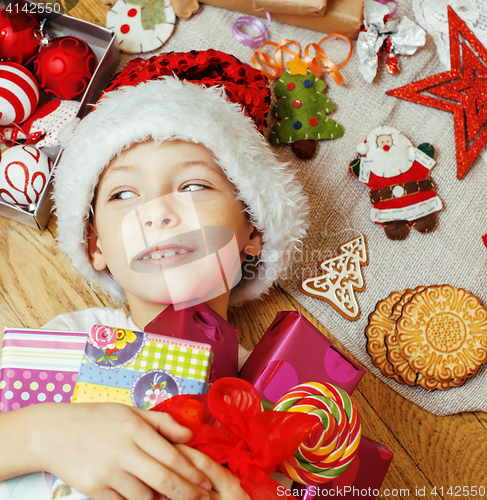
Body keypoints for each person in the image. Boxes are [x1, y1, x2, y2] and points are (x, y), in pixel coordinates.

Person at [0, 51, 308, 500]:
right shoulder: (70, 340)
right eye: (124, 194)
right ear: (96, 246)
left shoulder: (274, 395)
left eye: (193, 186)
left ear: (253, 231)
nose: (158, 213)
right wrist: (43, 434)